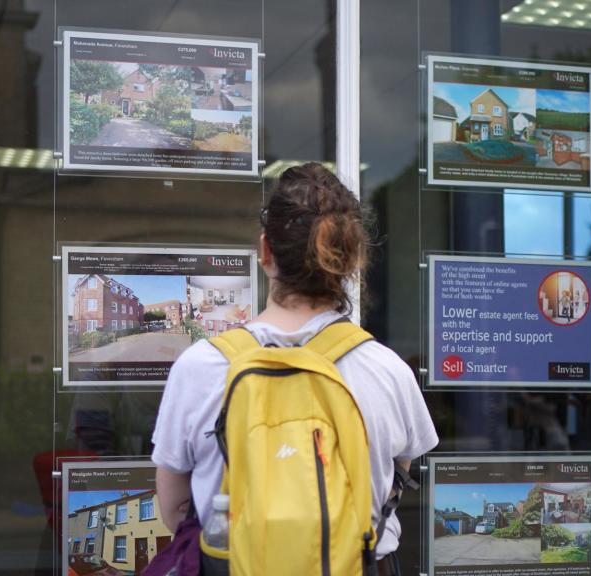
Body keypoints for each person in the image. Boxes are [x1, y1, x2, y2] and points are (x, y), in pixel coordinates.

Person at [151, 162, 438, 575]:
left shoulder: (201, 367)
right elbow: (394, 481)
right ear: (354, 257)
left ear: (265, 251)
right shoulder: (387, 370)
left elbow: (176, 507)